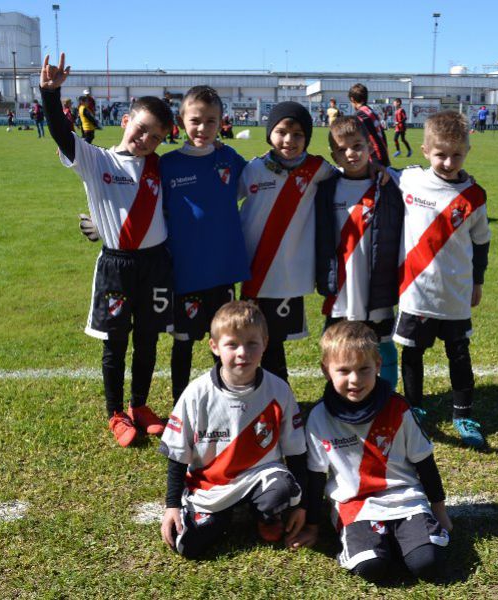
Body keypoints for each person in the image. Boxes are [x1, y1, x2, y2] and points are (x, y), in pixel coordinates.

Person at [40, 53, 174, 446]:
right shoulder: (96, 160)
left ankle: (140, 406)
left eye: (156, 137)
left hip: (156, 265)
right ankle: (116, 413)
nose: (146, 140)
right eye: (142, 129)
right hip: (117, 266)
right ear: (126, 121)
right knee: (116, 343)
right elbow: (62, 134)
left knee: (148, 339)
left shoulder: (161, 167)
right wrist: (51, 94)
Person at [288, 321, 452, 583]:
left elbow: (425, 461)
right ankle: (385, 542)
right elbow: (316, 476)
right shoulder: (319, 417)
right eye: (344, 370)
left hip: (404, 497)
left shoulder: (398, 407)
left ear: (378, 365)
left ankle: (407, 538)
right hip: (355, 505)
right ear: (325, 370)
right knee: (371, 567)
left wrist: (440, 511)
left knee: (426, 563)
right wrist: (312, 526)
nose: (355, 379)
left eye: (364, 368)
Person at [159, 301, 308, 558]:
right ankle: (224, 514)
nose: (243, 353)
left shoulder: (279, 390)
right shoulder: (197, 393)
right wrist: (172, 505)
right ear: (215, 347)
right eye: (232, 344)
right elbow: (177, 452)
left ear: (265, 342)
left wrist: (300, 506)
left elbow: (296, 451)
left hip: (261, 475)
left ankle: (265, 514)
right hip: (211, 484)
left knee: (283, 490)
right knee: (188, 545)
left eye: (252, 343)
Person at [391, 111, 491, 450]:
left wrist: (477, 281)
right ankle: (414, 409)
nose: (448, 162)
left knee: (459, 353)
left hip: (456, 292)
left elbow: (481, 242)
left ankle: (463, 414)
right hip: (416, 291)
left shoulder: (475, 195)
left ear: (467, 152)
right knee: (413, 352)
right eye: (440, 154)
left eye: (456, 154)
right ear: (425, 151)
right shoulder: (407, 180)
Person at [160, 86, 251, 403]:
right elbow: (139, 201)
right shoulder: (167, 165)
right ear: (181, 120)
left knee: (227, 338)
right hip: (186, 272)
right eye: (195, 120)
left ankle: (228, 399)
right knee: (183, 342)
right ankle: (179, 404)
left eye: (211, 121)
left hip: (222, 270)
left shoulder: (229, 158)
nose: (203, 128)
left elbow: (260, 181)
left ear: (221, 122)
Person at [238, 102, 337, 383]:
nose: (289, 141)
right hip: (253, 269)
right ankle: (254, 389)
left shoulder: (318, 169)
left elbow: (350, 180)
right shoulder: (253, 169)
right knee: (252, 335)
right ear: (269, 134)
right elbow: (224, 200)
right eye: (281, 132)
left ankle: (278, 392)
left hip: (287, 274)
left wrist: (378, 168)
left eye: (298, 135)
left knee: (274, 337)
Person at [314, 116, 402, 390]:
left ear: (369, 147)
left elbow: (426, 177)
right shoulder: (327, 186)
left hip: (376, 283)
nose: (351, 153)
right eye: (342, 149)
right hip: (341, 286)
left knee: (382, 343)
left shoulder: (389, 182)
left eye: (357, 146)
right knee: (338, 344)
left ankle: (386, 396)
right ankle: (337, 396)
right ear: (333, 154)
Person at [348, 83, 390, 166]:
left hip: (375, 157)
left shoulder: (360, 115)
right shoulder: (371, 111)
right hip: (383, 153)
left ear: (352, 99)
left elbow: (353, 138)